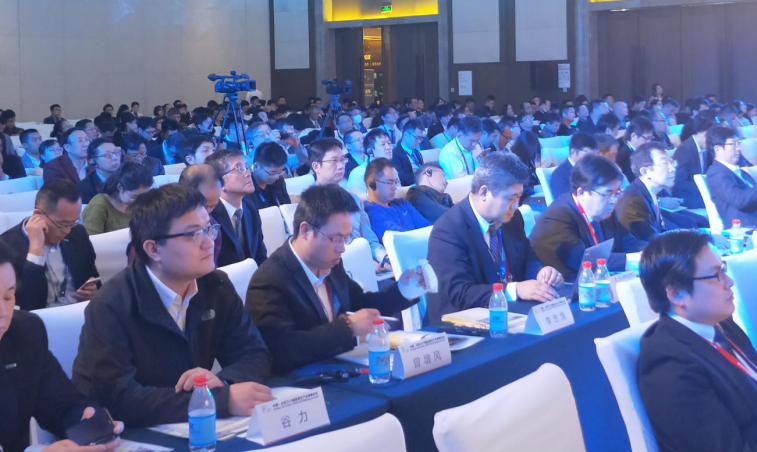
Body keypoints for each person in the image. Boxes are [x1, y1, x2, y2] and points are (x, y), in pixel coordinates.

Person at [72, 184, 273, 427]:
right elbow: (116, 399)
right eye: (193, 234)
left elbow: (254, 353)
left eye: (209, 229)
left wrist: (224, 382)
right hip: (136, 434)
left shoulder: (216, 286)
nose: (209, 243)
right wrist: (215, 400)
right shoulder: (111, 306)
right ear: (153, 249)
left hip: (193, 426)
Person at [246, 184, 426, 373]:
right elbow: (281, 350)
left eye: (345, 239)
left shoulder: (330, 263)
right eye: (335, 239)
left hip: (340, 369)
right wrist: (348, 327)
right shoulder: (270, 280)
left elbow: (359, 304)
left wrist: (403, 290)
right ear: (305, 230)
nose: (342, 248)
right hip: (303, 381)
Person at [637, 229, 757, 452]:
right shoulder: (668, 364)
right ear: (677, 295)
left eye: (724, 270)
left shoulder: (721, 324)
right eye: (716, 275)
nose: (729, 282)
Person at [0, 243, 125, 452]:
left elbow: (61, 404)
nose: (3, 312)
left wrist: (88, 423)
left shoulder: (24, 333)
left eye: (7, 297)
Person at [427, 153, 564, 324]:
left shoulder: (512, 217)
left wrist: (540, 273)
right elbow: (461, 293)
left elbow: (527, 258)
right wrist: (515, 290)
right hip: (461, 323)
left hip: (510, 312)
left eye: (519, 197)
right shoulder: (448, 230)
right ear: (484, 192)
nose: (516, 205)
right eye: (510, 198)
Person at [530, 154, 647, 280]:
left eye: (617, 193)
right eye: (608, 194)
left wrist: (653, 251)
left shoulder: (604, 209)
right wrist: (636, 259)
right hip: (567, 285)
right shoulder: (557, 217)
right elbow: (584, 261)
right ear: (582, 193)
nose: (614, 200)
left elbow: (628, 242)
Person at [0, 180, 100, 311]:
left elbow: (94, 278)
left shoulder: (77, 234)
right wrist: (35, 250)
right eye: (62, 224)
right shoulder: (7, 246)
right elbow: (23, 304)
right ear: (37, 215)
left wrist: (93, 291)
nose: (67, 231)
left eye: (72, 223)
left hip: (78, 311)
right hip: (37, 319)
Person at [310, 138, 390, 271]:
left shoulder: (353, 199)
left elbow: (369, 237)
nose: (341, 166)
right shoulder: (310, 203)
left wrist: (384, 258)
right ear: (316, 166)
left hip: (368, 263)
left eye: (342, 160)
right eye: (334, 161)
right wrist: (362, 261)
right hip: (337, 268)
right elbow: (321, 248)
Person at [206, 150, 267, 266]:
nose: (248, 174)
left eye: (247, 167)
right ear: (220, 183)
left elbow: (260, 256)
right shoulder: (209, 216)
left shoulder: (249, 208)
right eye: (239, 169)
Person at [615, 142, 679, 241]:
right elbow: (651, 242)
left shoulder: (648, 192)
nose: (672, 168)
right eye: (665, 163)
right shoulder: (633, 201)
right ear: (645, 172)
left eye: (671, 162)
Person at [364, 158, 431, 243]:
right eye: (389, 182)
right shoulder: (370, 211)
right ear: (372, 184)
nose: (395, 187)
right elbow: (399, 238)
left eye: (395, 182)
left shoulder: (403, 203)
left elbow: (426, 226)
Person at [705, 126, 757, 227]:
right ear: (718, 149)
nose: (738, 148)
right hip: (745, 227)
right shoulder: (716, 173)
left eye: (738, 144)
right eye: (733, 144)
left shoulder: (739, 171)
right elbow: (739, 200)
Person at [82, 162, 153, 235]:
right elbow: (91, 238)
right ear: (120, 187)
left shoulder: (141, 204)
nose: (139, 200)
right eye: (134, 196)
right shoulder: (99, 205)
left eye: (143, 196)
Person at [178, 164, 224, 264]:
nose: (206, 212)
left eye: (212, 206)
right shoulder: (170, 227)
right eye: (204, 205)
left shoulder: (212, 227)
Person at [673, 116, 714, 208]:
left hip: (699, 192)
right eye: (711, 140)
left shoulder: (704, 148)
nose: (713, 144)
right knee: (719, 202)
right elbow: (679, 181)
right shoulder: (684, 149)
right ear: (705, 135)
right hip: (686, 195)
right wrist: (704, 187)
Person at [550, 132, 598, 200]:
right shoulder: (559, 174)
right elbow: (565, 201)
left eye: (593, 154)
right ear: (573, 152)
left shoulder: (592, 168)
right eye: (587, 153)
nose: (591, 158)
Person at [77, 138, 122, 204]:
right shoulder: (85, 188)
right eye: (108, 155)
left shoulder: (128, 177)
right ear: (93, 161)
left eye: (116, 153)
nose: (115, 158)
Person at [348, 128, 391, 196]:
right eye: (383, 144)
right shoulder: (358, 174)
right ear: (370, 152)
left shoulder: (392, 169)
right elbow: (360, 200)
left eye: (389, 143)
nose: (388, 147)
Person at [249, 142, 291, 209]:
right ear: (256, 166)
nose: (277, 177)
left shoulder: (279, 182)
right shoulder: (247, 189)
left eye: (280, 172)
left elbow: (287, 207)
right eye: (273, 173)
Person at [617, 116, 655, 183]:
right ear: (633, 136)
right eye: (647, 138)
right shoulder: (622, 156)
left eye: (651, 138)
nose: (649, 142)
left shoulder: (645, 151)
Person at [393, 119, 426, 186]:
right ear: (406, 134)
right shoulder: (395, 154)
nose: (419, 141)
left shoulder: (417, 153)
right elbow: (402, 177)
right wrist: (422, 178)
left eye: (421, 138)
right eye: (417, 138)